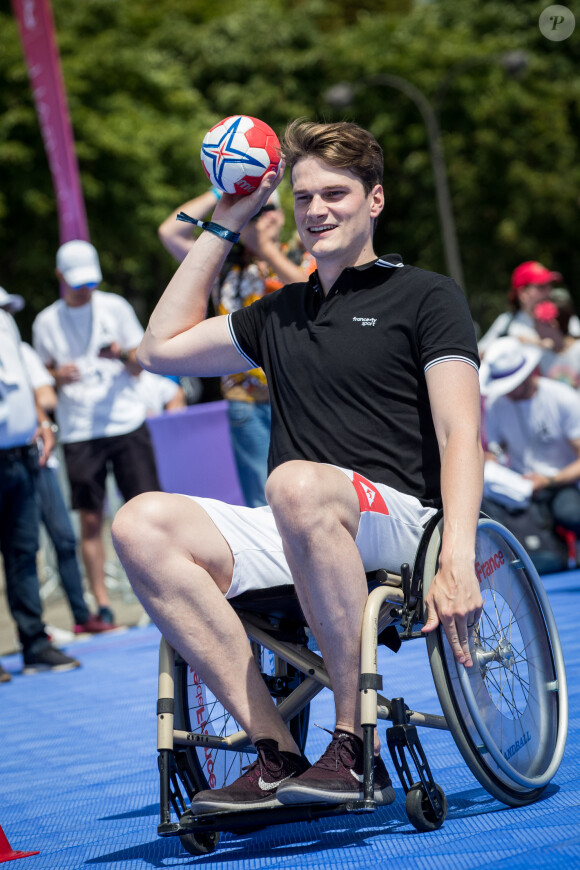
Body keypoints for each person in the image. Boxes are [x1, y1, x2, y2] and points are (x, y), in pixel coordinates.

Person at [112, 119, 483, 812]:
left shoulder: (427, 296)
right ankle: (275, 749)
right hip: (298, 515)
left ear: (375, 199)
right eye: (303, 196)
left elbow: (462, 432)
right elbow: (158, 349)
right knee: (141, 522)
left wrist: (457, 554)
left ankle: (351, 740)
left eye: (335, 194)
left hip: (399, 520)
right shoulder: (276, 313)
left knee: (295, 482)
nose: (315, 210)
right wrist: (228, 216)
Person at [32, 240, 161, 626]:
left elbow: (143, 363)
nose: (85, 289)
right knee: (90, 519)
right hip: (80, 431)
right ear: (60, 278)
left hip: (125, 421)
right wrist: (57, 376)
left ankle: (161, 594)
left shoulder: (115, 307)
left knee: (149, 512)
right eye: (76, 283)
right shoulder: (46, 322)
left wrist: (121, 353)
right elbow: (39, 379)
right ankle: (101, 604)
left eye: (90, 282)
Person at [158, 187, 312, 507]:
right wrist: (224, 192)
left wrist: (266, 249)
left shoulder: (299, 253)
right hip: (247, 401)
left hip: (299, 397)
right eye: (254, 212)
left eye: (266, 208)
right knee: (262, 501)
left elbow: (312, 293)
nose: (261, 217)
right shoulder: (223, 264)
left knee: (308, 496)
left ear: (282, 215)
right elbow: (170, 230)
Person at [0, 287, 81, 677]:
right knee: (22, 553)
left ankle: (34, 643)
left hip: (19, 455)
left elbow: (24, 386)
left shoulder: (7, 327)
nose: (6, 311)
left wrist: (42, 421)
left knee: (23, 553)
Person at [20, 342, 116, 635]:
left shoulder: (20, 349)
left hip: (37, 458)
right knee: (21, 549)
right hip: (8, 463)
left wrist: (36, 416)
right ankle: (31, 631)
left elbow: (47, 397)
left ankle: (81, 615)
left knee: (63, 538)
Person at [480, 336, 580, 573]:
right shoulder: (496, 404)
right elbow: (494, 449)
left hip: (560, 484)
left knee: (570, 512)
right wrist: (491, 468)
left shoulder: (561, 397)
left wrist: (549, 480)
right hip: (519, 488)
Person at [477, 261, 563, 357]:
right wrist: (513, 341)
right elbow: (479, 353)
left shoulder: (563, 317)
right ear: (523, 293)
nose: (548, 292)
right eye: (541, 287)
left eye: (549, 285)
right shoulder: (506, 323)